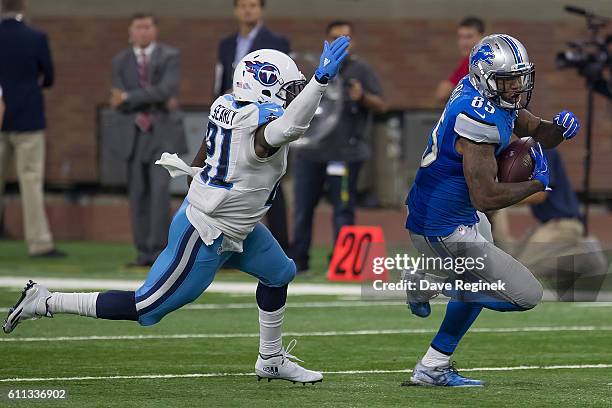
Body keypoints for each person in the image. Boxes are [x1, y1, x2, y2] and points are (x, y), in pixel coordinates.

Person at [3, 35, 351, 385]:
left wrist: (204, 178)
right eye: (288, 88)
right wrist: (319, 83)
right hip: (207, 231)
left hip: (238, 226)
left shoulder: (229, 103)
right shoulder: (259, 128)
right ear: (264, 85)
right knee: (147, 307)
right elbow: (288, 127)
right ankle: (45, 301)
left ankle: (271, 359)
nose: (293, 96)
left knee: (280, 273)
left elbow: (205, 148)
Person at [403, 34, 580, 386]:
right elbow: (485, 196)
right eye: (508, 80)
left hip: (460, 217)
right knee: (525, 295)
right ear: (485, 77)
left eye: (520, 78)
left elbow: (536, 131)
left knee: (481, 280)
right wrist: (536, 183)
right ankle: (427, 282)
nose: (516, 87)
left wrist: (559, 129)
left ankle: (433, 366)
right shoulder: (476, 117)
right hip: (441, 226)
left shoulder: (488, 95)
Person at [290, 20, 386, 273]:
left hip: (345, 155)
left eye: (346, 38)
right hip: (309, 153)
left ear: (353, 42)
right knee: (303, 209)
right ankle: (299, 261)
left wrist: (362, 97)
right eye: (335, 38)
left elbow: (382, 105)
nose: (341, 43)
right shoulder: (313, 67)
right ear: (326, 41)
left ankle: (343, 263)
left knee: (343, 210)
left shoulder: (362, 70)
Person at [109, 13, 187, 267]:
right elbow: (116, 98)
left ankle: (159, 252)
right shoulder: (120, 60)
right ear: (130, 32)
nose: (143, 32)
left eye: (147, 27)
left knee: (160, 193)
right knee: (138, 194)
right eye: (138, 28)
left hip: (162, 134)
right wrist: (144, 98)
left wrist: (129, 98)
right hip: (133, 134)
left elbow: (166, 90)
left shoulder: (169, 56)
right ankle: (142, 252)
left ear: (155, 31)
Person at [214, 0, 291, 251]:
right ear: (236, 9)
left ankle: (281, 246)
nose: (248, 10)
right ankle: (224, 244)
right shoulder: (226, 44)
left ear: (261, 10)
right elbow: (221, 79)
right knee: (229, 180)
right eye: (244, 5)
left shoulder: (277, 42)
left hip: (264, 120)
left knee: (268, 180)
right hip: (234, 120)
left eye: (254, 5)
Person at [0, 0, 64, 257]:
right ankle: (39, 243)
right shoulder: (36, 37)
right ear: (22, 8)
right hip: (28, 117)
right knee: (31, 181)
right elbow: (48, 76)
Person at [433, 17, 485, 106]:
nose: (463, 42)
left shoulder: (477, 61)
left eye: (469, 37)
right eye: (461, 37)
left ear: (482, 37)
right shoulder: (467, 61)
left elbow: (442, 93)